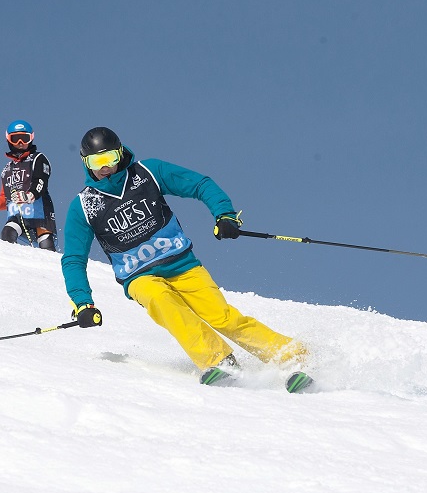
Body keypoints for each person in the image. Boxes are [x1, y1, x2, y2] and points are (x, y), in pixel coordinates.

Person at [60, 126, 309, 388]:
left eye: (109, 158)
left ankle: (294, 357)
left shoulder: (148, 173)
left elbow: (200, 184)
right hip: (139, 276)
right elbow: (74, 259)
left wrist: (224, 214)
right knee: (163, 303)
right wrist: (82, 302)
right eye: (96, 162)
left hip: (182, 265)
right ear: (85, 163)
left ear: (120, 154)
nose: (104, 168)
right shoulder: (83, 206)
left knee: (222, 316)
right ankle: (220, 360)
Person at [0, 120, 56, 251]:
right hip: (17, 216)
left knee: (46, 245)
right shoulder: (6, 170)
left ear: (31, 138)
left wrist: (29, 195)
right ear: (8, 140)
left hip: (40, 214)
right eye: (16, 139)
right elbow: (5, 200)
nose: (20, 143)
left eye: (25, 138)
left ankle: (52, 270)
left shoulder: (38, 159)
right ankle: (12, 265)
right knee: (7, 233)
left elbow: (41, 181)